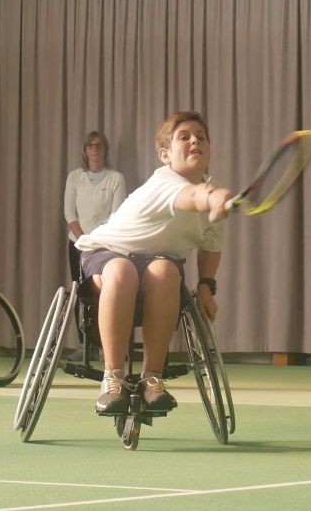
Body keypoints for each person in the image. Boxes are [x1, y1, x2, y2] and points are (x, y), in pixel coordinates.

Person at [75, 111, 233, 414]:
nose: (194, 140)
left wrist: (205, 286)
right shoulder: (167, 182)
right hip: (107, 253)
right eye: (184, 136)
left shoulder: (211, 194)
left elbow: (210, 244)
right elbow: (195, 197)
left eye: (200, 136)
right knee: (122, 272)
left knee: (165, 272)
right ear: (165, 155)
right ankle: (113, 379)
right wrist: (212, 197)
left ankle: (152, 379)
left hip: (157, 263)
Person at [63, 131, 126, 361]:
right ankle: (83, 345)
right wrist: (83, 241)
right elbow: (70, 214)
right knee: (82, 294)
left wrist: (97, 243)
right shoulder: (75, 178)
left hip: (105, 247)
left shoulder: (116, 179)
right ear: (85, 151)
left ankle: (103, 346)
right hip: (78, 245)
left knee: (105, 294)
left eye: (99, 146)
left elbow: (116, 215)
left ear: (105, 150)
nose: (95, 150)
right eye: (91, 146)